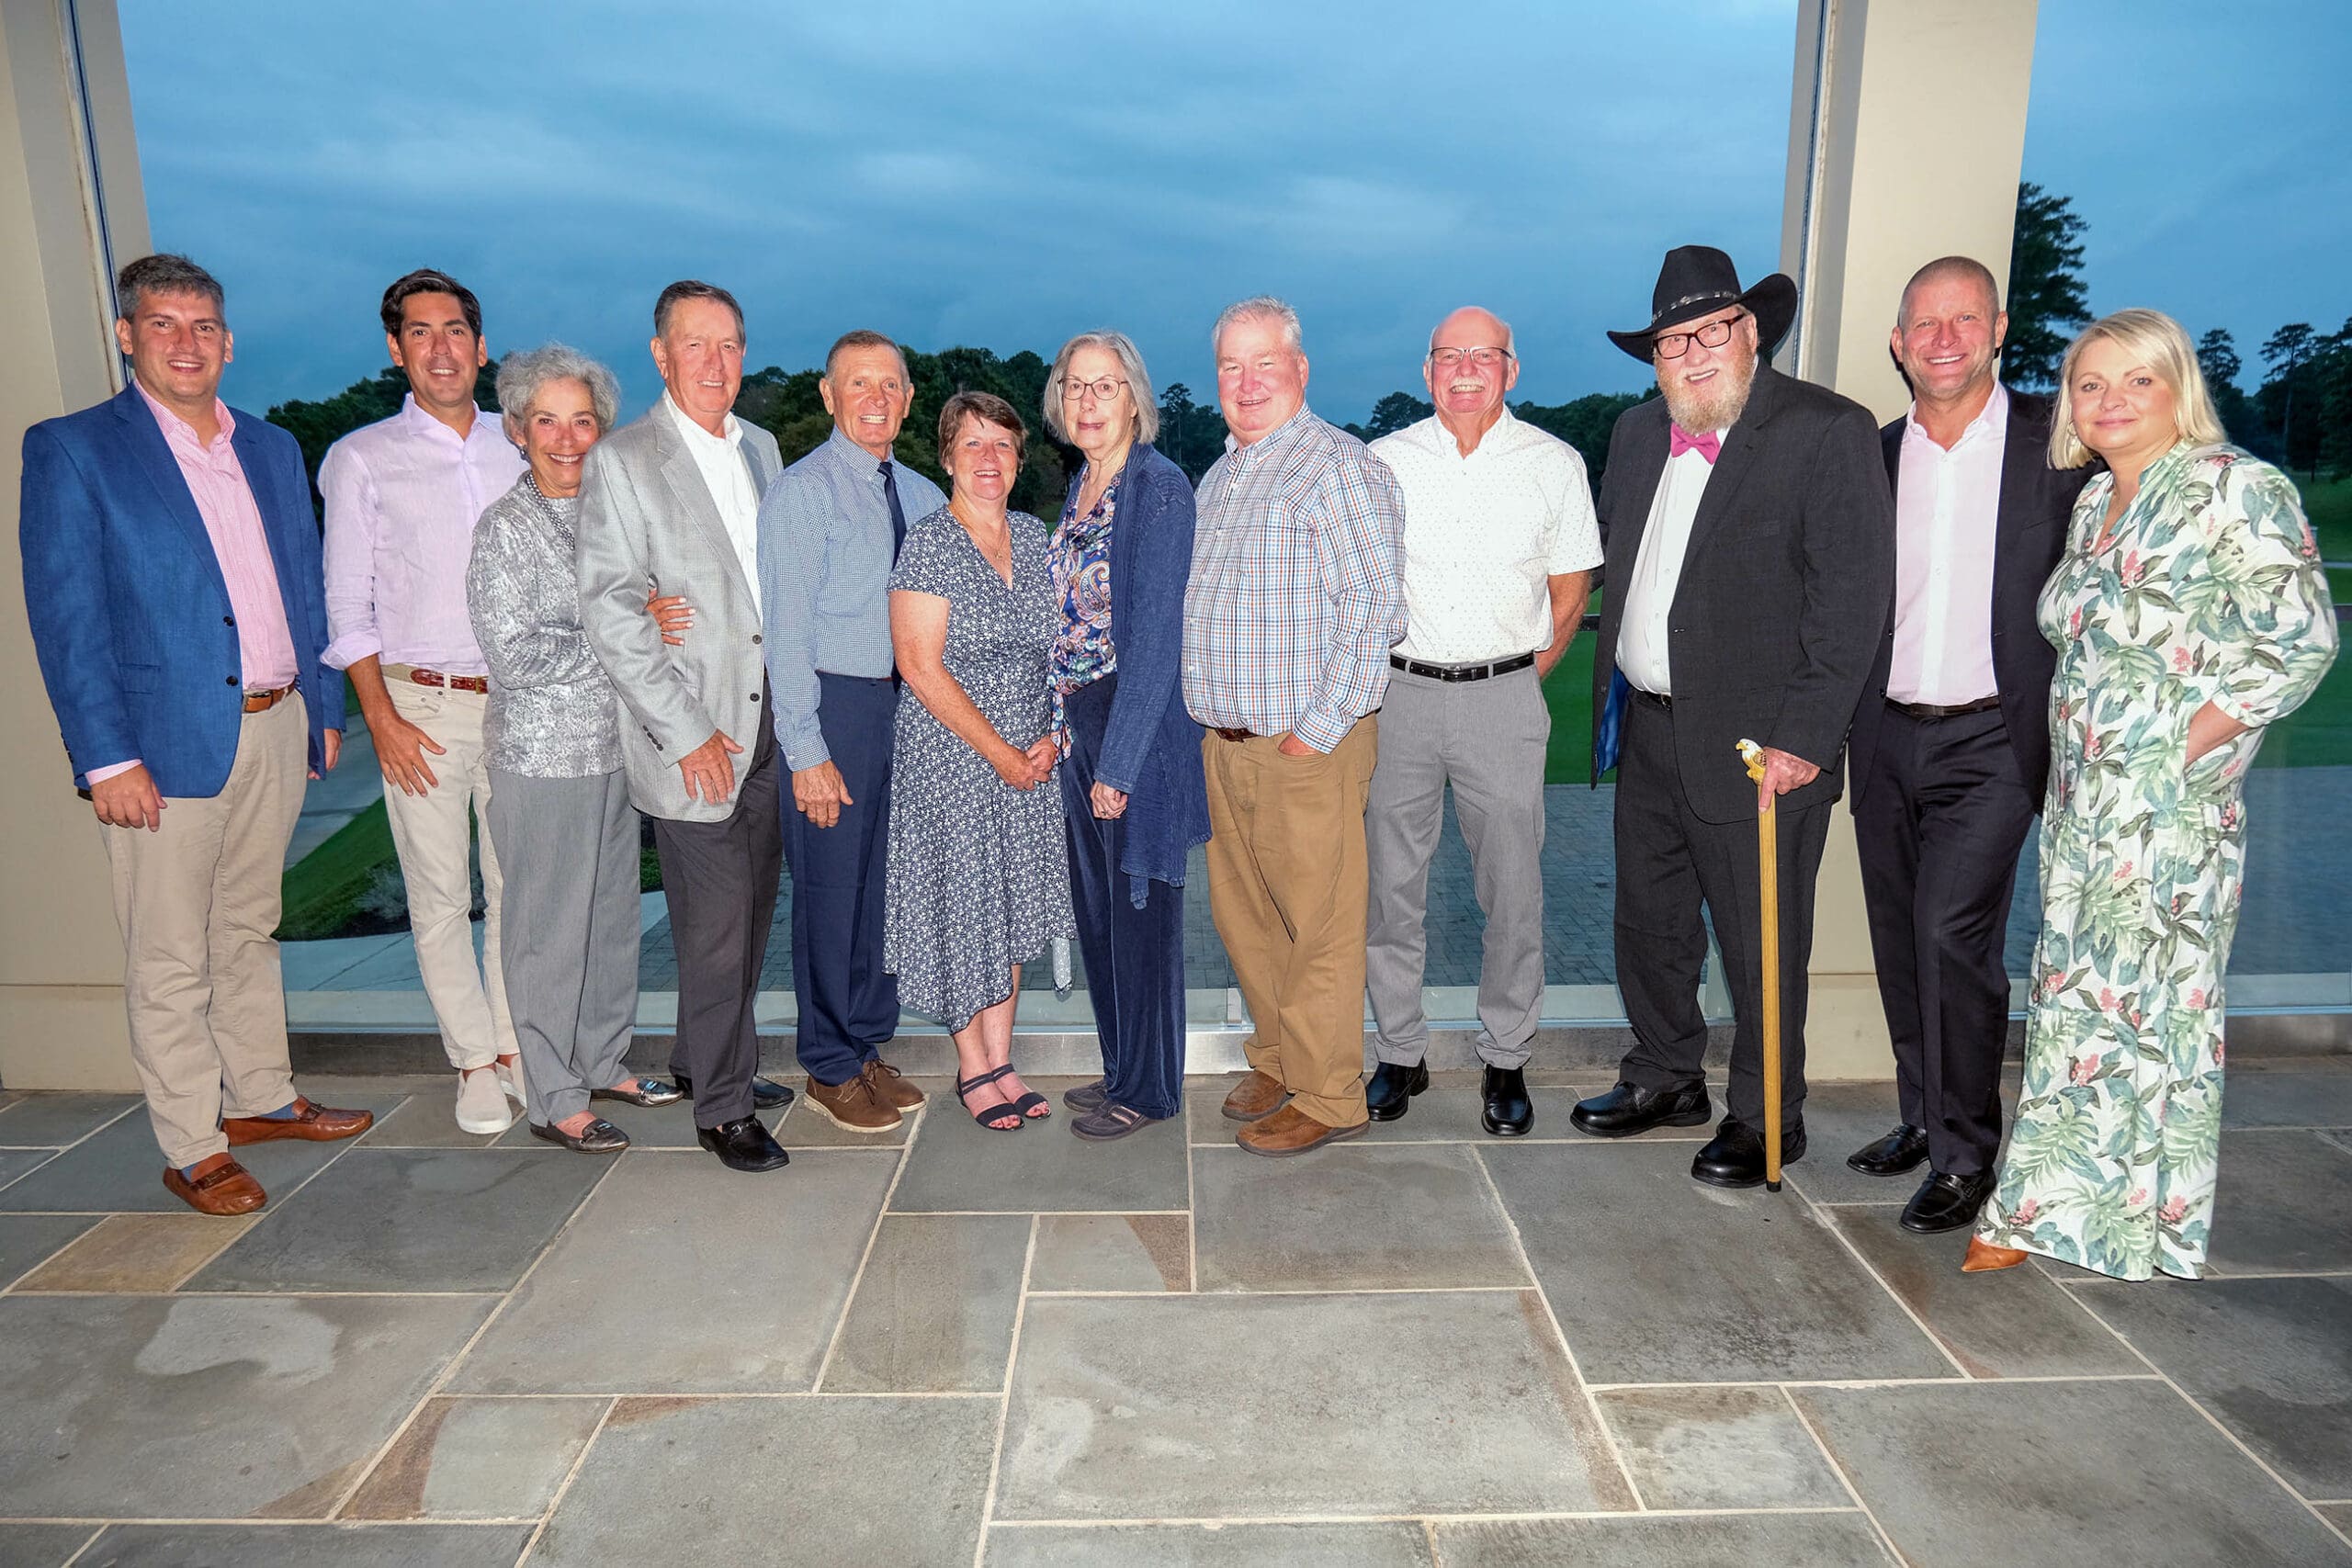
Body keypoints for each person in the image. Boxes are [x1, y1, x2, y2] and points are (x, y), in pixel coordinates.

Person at [1967, 310, 2337, 1281]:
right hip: (2087, 805)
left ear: (2180, 388)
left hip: (2166, 812)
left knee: (2148, 1013)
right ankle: (2064, 1211)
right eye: (2089, 384)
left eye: (2137, 380)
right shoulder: (2095, 505)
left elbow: (2298, 641)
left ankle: (2100, 1221)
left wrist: (2181, 744)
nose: (2110, 402)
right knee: (2080, 1006)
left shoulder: (2237, 490)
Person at [18, 254, 371, 1215]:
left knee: (246, 929)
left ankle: (261, 1098)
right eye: (164, 324)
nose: (187, 342)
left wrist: (322, 709)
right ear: (127, 334)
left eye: (204, 325)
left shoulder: (268, 447)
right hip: (160, 749)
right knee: (169, 954)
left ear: (228, 339)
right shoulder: (75, 450)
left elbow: (303, 588)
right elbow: (69, 618)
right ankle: (191, 1143)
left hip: (274, 723)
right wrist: (105, 758)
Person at [1568, 246, 1894, 1188]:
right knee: (1651, 924)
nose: (1693, 352)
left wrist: (1804, 737)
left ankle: (1766, 1118)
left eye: (1712, 331)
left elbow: (1852, 597)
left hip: (1764, 750)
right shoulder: (1636, 435)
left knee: (1760, 944)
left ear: (1754, 333)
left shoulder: (1826, 430)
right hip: (1650, 730)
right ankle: (1665, 1074)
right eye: (1674, 340)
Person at [1843, 257, 2090, 1234]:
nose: (1942, 339)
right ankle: (1919, 1116)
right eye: (1923, 324)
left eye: (1963, 320)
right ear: (1898, 344)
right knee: (1902, 935)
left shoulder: (2058, 447)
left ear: (1995, 331)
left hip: (1995, 737)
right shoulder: (1871, 455)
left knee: (1953, 935)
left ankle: (1966, 1153)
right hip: (1886, 730)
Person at [1364, 307, 1600, 1136]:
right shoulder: (1382, 461)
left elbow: (1571, 585)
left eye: (1484, 355)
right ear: (1426, 369)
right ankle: (1400, 1050)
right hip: (1400, 697)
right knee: (1391, 888)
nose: (1467, 369)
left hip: (1504, 695)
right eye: (1449, 356)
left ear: (1512, 368)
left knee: (1513, 891)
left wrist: (1521, 670)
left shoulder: (1553, 463)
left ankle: (1506, 1057)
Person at [578, 280, 793, 1173]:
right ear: (660, 355)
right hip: (693, 737)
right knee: (711, 927)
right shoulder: (624, 461)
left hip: (772, 727)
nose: (716, 362)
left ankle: (708, 1057)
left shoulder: (764, 449)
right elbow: (613, 611)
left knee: (747, 921)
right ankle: (723, 1109)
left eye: (730, 344)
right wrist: (688, 732)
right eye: (695, 345)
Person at [1184, 297, 1407, 1156]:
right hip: (1231, 744)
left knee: (1317, 924)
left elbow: (1375, 613)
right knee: (1250, 919)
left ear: (1300, 371)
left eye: (1264, 364)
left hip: (1304, 745)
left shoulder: (1334, 468)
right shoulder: (1226, 471)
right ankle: (1280, 1059)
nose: (1246, 383)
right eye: (1231, 368)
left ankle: (1328, 1093)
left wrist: (1315, 729)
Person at [467, 345, 690, 1154]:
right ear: (518, 431)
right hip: (541, 759)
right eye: (547, 422)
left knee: (612, 920)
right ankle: (553, 1092)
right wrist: (622, 636)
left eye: (583, 421)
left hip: (615, 749)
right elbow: (516, 655)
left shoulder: (611, 511)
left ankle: (604, 1057)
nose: (567, 438)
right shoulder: (506, 529)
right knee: (547, 930)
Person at [320, 269, 527, 1134]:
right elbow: (346, 608)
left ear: (481, 348)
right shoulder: (362, 458)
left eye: (454, 331)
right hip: (423, 707)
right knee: (440, 894)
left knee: (518, 884)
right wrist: (382, 719)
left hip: (522, 701)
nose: (440, 348)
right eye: (420, 332)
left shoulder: (520, 444)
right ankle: (473, 1061)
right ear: (396, 348)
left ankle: (516, 1042)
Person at [755, 332, 940, 1133]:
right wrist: (807, 751)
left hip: (911, 708)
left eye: (889, 385)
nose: (875, 399)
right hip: (836, 705)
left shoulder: (927, 497)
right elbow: (786, 631)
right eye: (857, 384)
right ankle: (828, 1063)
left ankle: (866, 1045)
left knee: (886, 894)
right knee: (832, 892)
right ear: (829, 397)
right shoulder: (804, 493)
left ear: (907, 397)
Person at [886, 392, 1073, 1128]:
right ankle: (974, 1067)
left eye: (1002, 444)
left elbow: (1066, 649)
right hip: (954, 756)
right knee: (964, 903)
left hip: (1029, 754)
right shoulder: (929, 544)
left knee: (1011, 901)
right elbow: (918, 665)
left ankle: (1005, 1057)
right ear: (947, 457)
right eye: (972, 444)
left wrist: (1053, 737)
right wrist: (1000, 753)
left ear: (1020, 458)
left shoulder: (1034, 536)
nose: (988, 459)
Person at [1042, 331, 1209, 1140]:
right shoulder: (1078, 485)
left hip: (1130, 723)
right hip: (1078, 718)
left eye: (1104, 386)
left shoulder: (1160, 487)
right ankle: (1119, 1066)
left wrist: (1120, 761)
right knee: (1099, 909)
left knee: (1142, 910)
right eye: (1075, 386)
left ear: (1135, 398)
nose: (1087, 401)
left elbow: (1157, 641)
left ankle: (1150, 1087)